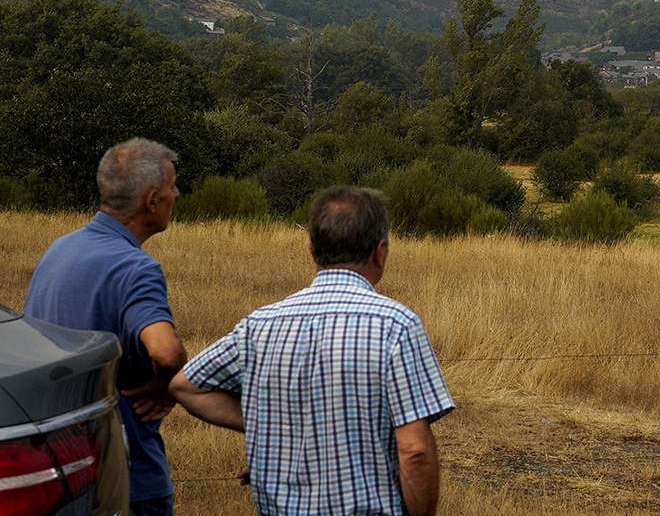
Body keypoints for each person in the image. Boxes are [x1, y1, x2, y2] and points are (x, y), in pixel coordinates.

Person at [170, 185, 454, 516]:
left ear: (310, 248)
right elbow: (416, 451)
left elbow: (185, 386)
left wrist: (274, 422)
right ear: (380, 252)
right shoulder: (396, 325)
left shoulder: (259, 325)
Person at [25, 138, 188, 516]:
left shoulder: (59, 250)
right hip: (127, 477)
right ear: (151, 199)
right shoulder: (134, 268)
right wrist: (167, 385)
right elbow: (165, 350)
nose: (176, 194)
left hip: (62, 467)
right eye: (172, 186)